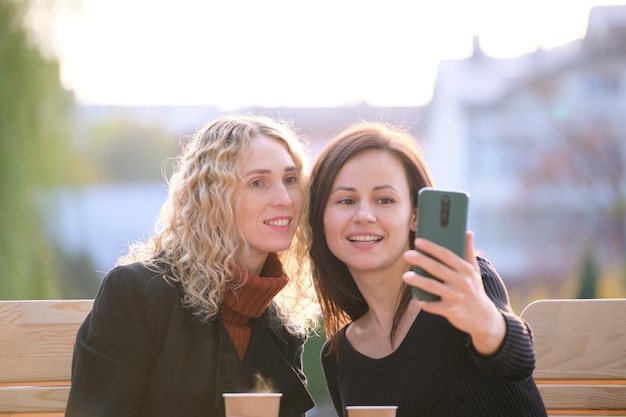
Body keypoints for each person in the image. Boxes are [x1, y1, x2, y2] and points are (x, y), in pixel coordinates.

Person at [66, 114, 319, 417]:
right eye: (258, 182)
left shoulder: (282, 324)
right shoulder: (137, 293)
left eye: (290, 180)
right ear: (212, 197)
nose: (284, 199)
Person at [308, 121, 548, 417]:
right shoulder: (340, 355)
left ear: (415, 217)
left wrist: (485, 323)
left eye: (385, 200)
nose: (364, 215)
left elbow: (518, 360)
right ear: (321, 220)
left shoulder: (460, 286)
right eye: (346, 200)